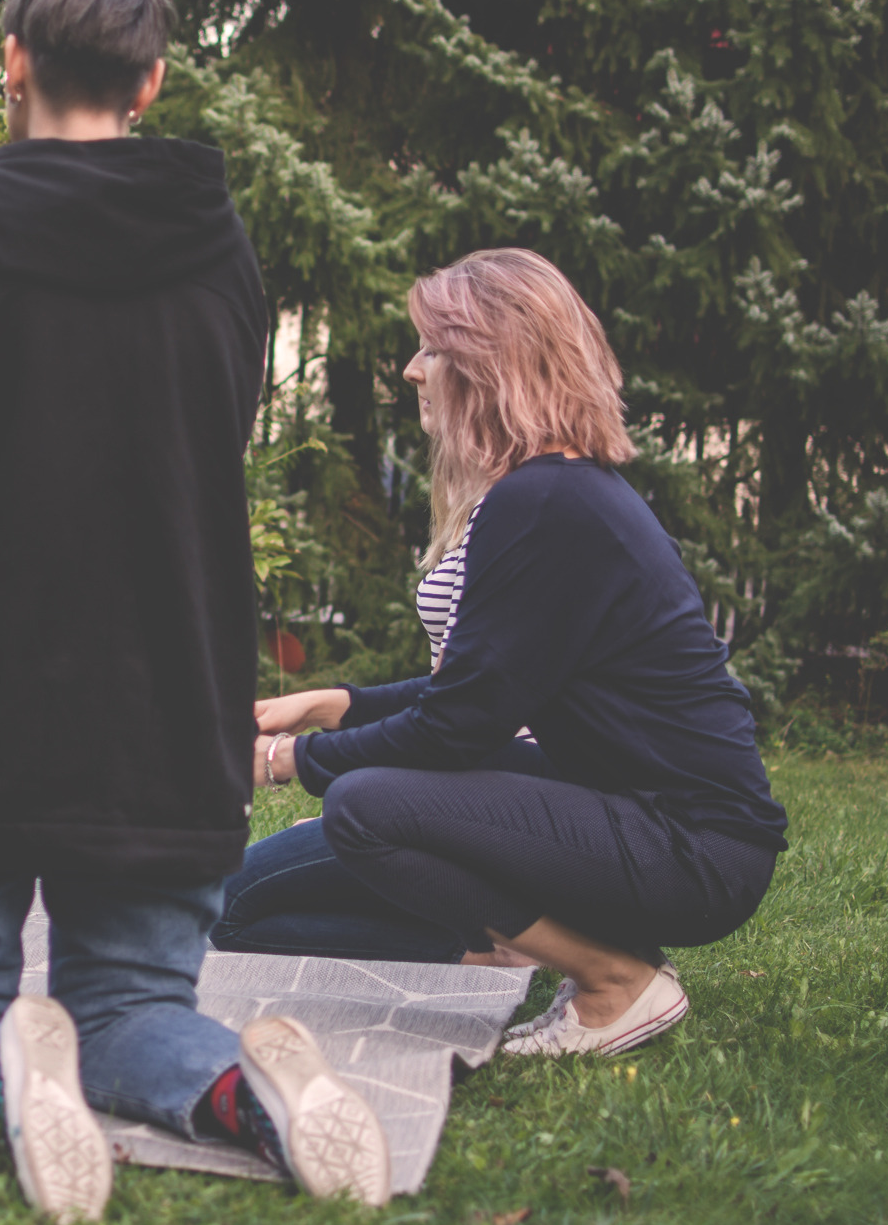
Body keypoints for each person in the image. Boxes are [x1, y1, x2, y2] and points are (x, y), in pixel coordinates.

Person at [0, 0, 392, 1223]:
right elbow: (214, 434)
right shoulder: (219, 250)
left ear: (13, 59)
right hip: (163, 697)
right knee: (140, 1007)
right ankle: (244, 1092)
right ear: (147, 83)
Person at [230, 248, 787, 1058]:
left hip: (691, 847)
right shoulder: (552, 491)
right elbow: (485, 695)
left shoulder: (546, 500)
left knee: (366, 806)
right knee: (356, 808)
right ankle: (582, 956)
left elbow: (460, 727)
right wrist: (330, 705)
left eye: (433, 349)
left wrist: (289, 759)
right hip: (656, 820)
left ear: (488, 363)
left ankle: (612, 981)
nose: (415, 370)